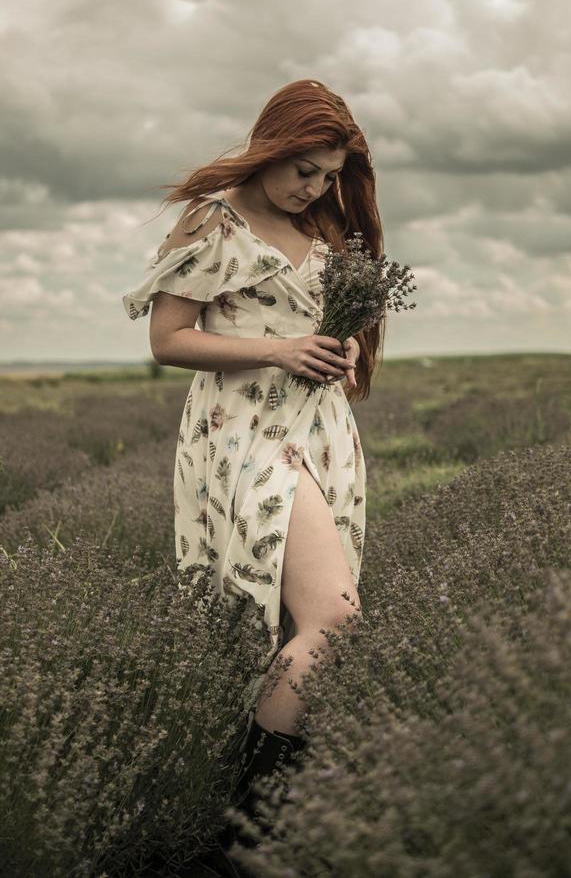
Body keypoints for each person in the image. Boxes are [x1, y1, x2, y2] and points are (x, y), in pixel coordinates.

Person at [122, 78, 385, 863]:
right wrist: (277, 348)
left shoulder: (328, 226)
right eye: (303, 167)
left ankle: (253, 824)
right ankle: (249, 820)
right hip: (244, 435)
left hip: (322, 432)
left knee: (288, 624)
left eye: (329, 173)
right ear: (271, 144)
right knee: (334, 621)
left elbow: (320, 327)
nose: (315, 186)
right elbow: (168, 340)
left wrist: (338, 350)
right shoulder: (217, 221)